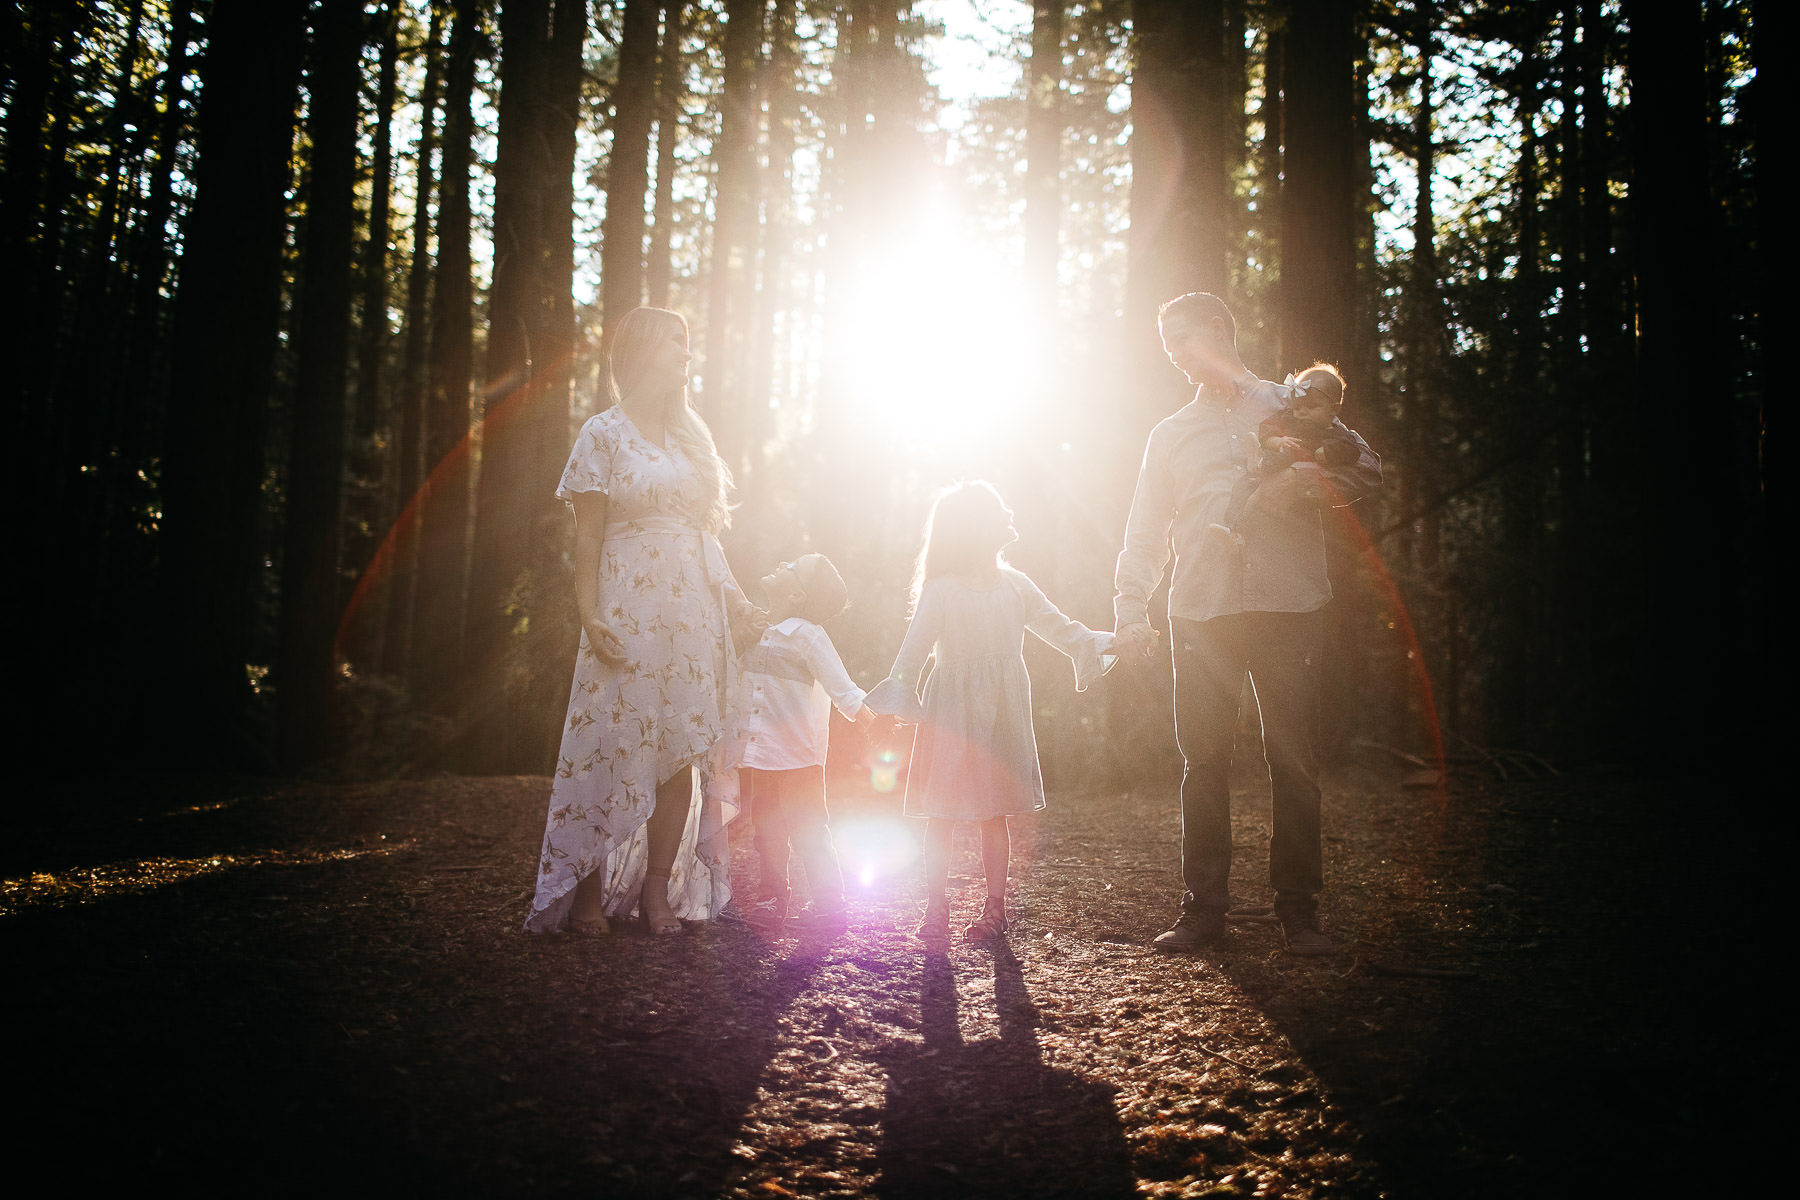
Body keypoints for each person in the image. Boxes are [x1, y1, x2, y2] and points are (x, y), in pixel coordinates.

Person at [1113, 293, 1381, 956]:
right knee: (1201, 762)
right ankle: (1203, 912)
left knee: (1294, 763)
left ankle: (1299, 913)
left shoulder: (1293, 402)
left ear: (1218, 330)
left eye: (1181, 338)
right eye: (1166, 342)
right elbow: (1144, 532)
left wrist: (1311, 482)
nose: (1174, 353)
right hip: (1199, 613)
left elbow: (1369, 472)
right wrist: (1129, 607)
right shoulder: (1170, 434)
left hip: (1289, 607)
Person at [524, 306, 749, 938]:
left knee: (677, 754)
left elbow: (708, 539)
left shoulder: (691, 438)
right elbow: (588, 536)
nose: (686, 353)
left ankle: (656, 892)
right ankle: (588, 890)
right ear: (643, 350)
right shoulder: (603, 433)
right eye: (676, 341)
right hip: (625, 608)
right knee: (607, 746)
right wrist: (589, 615)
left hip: (690, 619)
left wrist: (734, 604)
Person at [867, 482, 1114, 944]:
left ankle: (994, 909)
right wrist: (889, 711)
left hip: (1001, 715)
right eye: (1000, 509)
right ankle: (936, 907)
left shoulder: (1016, 585)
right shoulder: (941, 591)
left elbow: (1062, 630)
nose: (1010, 513)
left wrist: (1110, 643)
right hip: (949, 716)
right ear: (977, 527)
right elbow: (911, 655)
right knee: (940, 812)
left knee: (993, 812)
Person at [733, 553, 872, 937]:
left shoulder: (808, 635)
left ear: (796, 595)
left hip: (798, 756)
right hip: (761, 753)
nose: (780, 563)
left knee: (809, 828)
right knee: (767, 829)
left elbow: (842, 689)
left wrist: (872, 724)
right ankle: (772, 897)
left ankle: (830, 904)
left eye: (790, 566)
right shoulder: (755, 628)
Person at [1208, 364, 1366, 547]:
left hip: (1297, 479)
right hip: (1276, 462)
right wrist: (1277, 441)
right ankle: (1234, 530)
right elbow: (1266, 430)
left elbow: (1352, 451)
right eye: (1298, 407)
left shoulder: (1335, 433)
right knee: (1242, 489)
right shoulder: (1288, 419)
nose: (1303, 412)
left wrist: (1326, 454)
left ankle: (1258, 464)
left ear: (1334, 410)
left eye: (1312, 407)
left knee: (1270, 503)